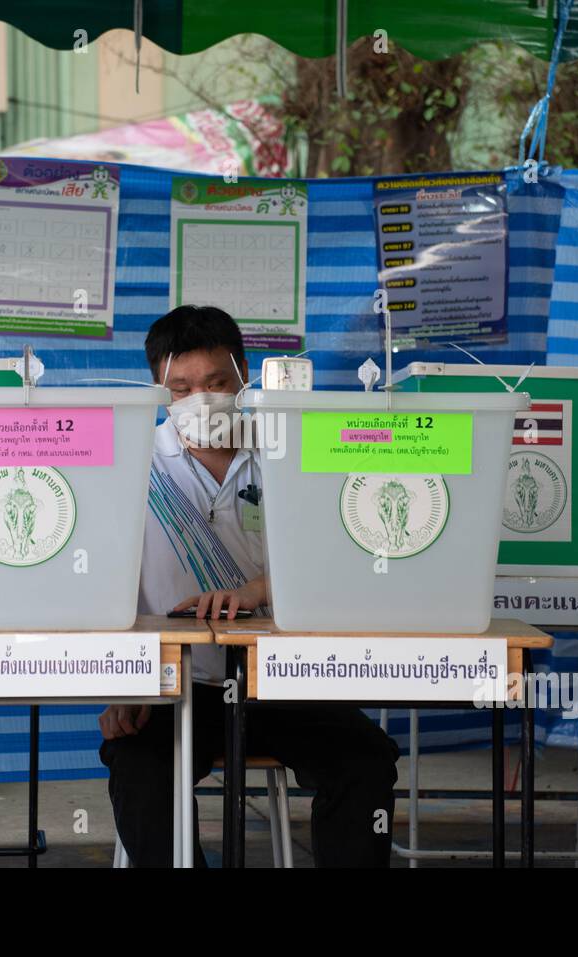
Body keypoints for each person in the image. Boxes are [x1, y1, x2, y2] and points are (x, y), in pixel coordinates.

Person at [98, 304, 399, 867]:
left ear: (244, 375)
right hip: (177, 685)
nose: (200, 400)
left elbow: (341, 556)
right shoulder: (131, 466)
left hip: (284, 680)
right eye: (181, 388)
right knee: (139, 768)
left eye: (215, 383)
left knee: (364, 759)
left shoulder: (291, 453)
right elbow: (108, 586)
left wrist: (261, 588)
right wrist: (127, 683)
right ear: (157, 388)